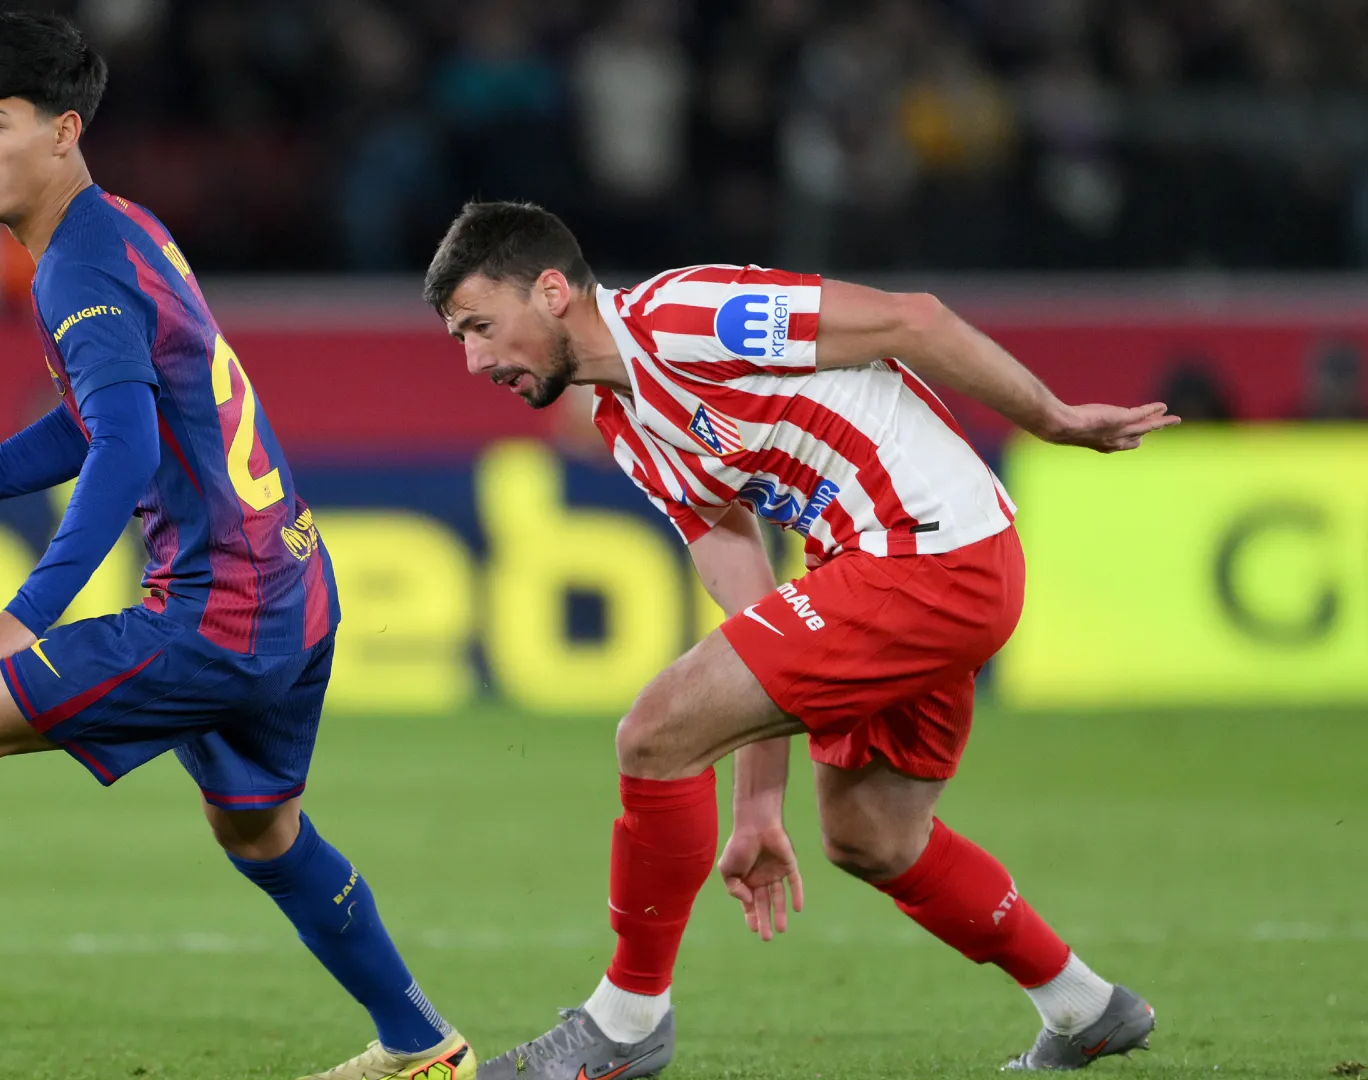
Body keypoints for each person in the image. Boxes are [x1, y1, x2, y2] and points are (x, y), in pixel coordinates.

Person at [0, 15, 474, 1080]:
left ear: (63, 132)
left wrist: (25, 614)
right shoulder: (126, 231)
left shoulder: (75, 272)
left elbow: (124, 442)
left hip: (217, 608)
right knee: (261, 833)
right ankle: (423, 1045)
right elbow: (98, 417)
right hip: (295, 585)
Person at [421, 201, 1177, 1078]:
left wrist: (1052, 420)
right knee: (871, 834)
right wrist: (756, 808)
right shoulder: (627, 421)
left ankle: (624, 1026)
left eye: (482, 327)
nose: (476, 361)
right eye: (459, 340)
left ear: (552, 291)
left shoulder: (686, 316)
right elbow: (746, 592)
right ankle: (1085, 1007)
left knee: (654, 733)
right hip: (879, 568)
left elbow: (914, 319)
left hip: (930, 552)